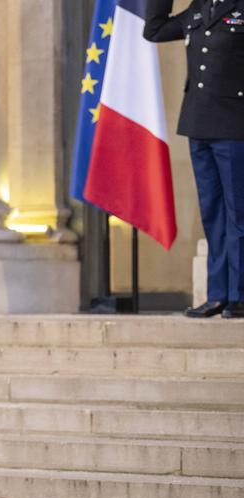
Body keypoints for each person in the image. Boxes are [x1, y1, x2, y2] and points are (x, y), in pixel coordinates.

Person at [144, 0, 244, 319]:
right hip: (198, 123)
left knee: (237, 212)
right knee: (212, 213)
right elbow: (155, 31)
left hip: (234, 123)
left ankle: (238, 294)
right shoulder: (199, 9)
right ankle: (218, 295)